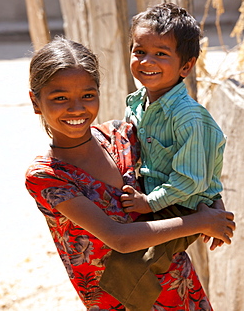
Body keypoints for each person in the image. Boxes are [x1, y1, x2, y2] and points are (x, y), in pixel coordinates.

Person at [25, 36, 235, 311]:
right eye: (60, 98)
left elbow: (185, 166)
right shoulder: (47, 176)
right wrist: (201, 222)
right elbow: (119, 238)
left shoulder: (122, 137)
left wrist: (211, 202)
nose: (76, 108)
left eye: (88, 95)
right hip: (121, 302)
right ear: (36, 102)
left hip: (178, 286)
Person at [100, 3, 230, 308]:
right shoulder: (138, 102)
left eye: (160, 54)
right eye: (139, 51)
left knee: (131, 271)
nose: (147, 61)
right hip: (158, 197)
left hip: (182, 206)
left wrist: (149, 202)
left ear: (186, 66)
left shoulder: (187, 118)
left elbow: (191, 180)